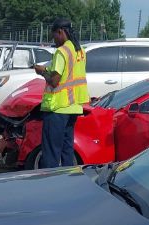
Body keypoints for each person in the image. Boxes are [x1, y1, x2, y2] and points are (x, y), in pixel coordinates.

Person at [33, 18, 89, 168]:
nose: (54, 40)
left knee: (51, 151)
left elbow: (54, 80)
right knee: (67, 150)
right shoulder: (80, 51)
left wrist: (42, 71)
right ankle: (66, 181)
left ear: (60, 32)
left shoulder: (62, 51)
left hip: (58, 108)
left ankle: (50, 184)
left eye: (54, 36)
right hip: (74, 107)